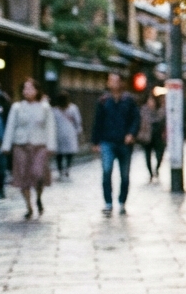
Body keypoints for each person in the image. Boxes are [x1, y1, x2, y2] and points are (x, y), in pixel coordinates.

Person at [0, 78, 56, 219]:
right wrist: (6, 145)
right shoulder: (17, 107)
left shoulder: (44, 107)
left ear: (37, 90)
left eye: (31, 88)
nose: (27, 91)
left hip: (39, 145)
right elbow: (11, 126)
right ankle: (28, 206)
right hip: (21, 145)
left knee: (38, 174)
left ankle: (38, 197)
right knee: (23, 176)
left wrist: (51, 145)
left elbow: (50, 127)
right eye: (25, 88)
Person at [91, 73, 140, 216]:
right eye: (110, 80)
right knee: (107, 171)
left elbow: (136, 119)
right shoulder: (103, 101)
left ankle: (122, 201)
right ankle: (108, 202)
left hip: (125, 142)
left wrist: (131, 134)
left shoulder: (129, 101)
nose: (113, 83)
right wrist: (95, 141)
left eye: (116, 80)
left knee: (125, 175)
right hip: (107, 141)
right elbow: (97, 122)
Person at [52, 92, 83, 179]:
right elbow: (78, 121)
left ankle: (62, 170)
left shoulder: (55, 110)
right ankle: (66, 169)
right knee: (67, 154)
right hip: (68, 134)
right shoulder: (72, 108)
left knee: (60, 155)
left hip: (61, 134)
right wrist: (78, 131)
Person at [137, 93, 166, 184]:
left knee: (159, 154)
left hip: (158, 136)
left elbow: (164, 121)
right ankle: (150, 173)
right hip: (147, 136)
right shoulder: (143, 111)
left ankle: (156, 169)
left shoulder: (160, 111)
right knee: (147, 155)